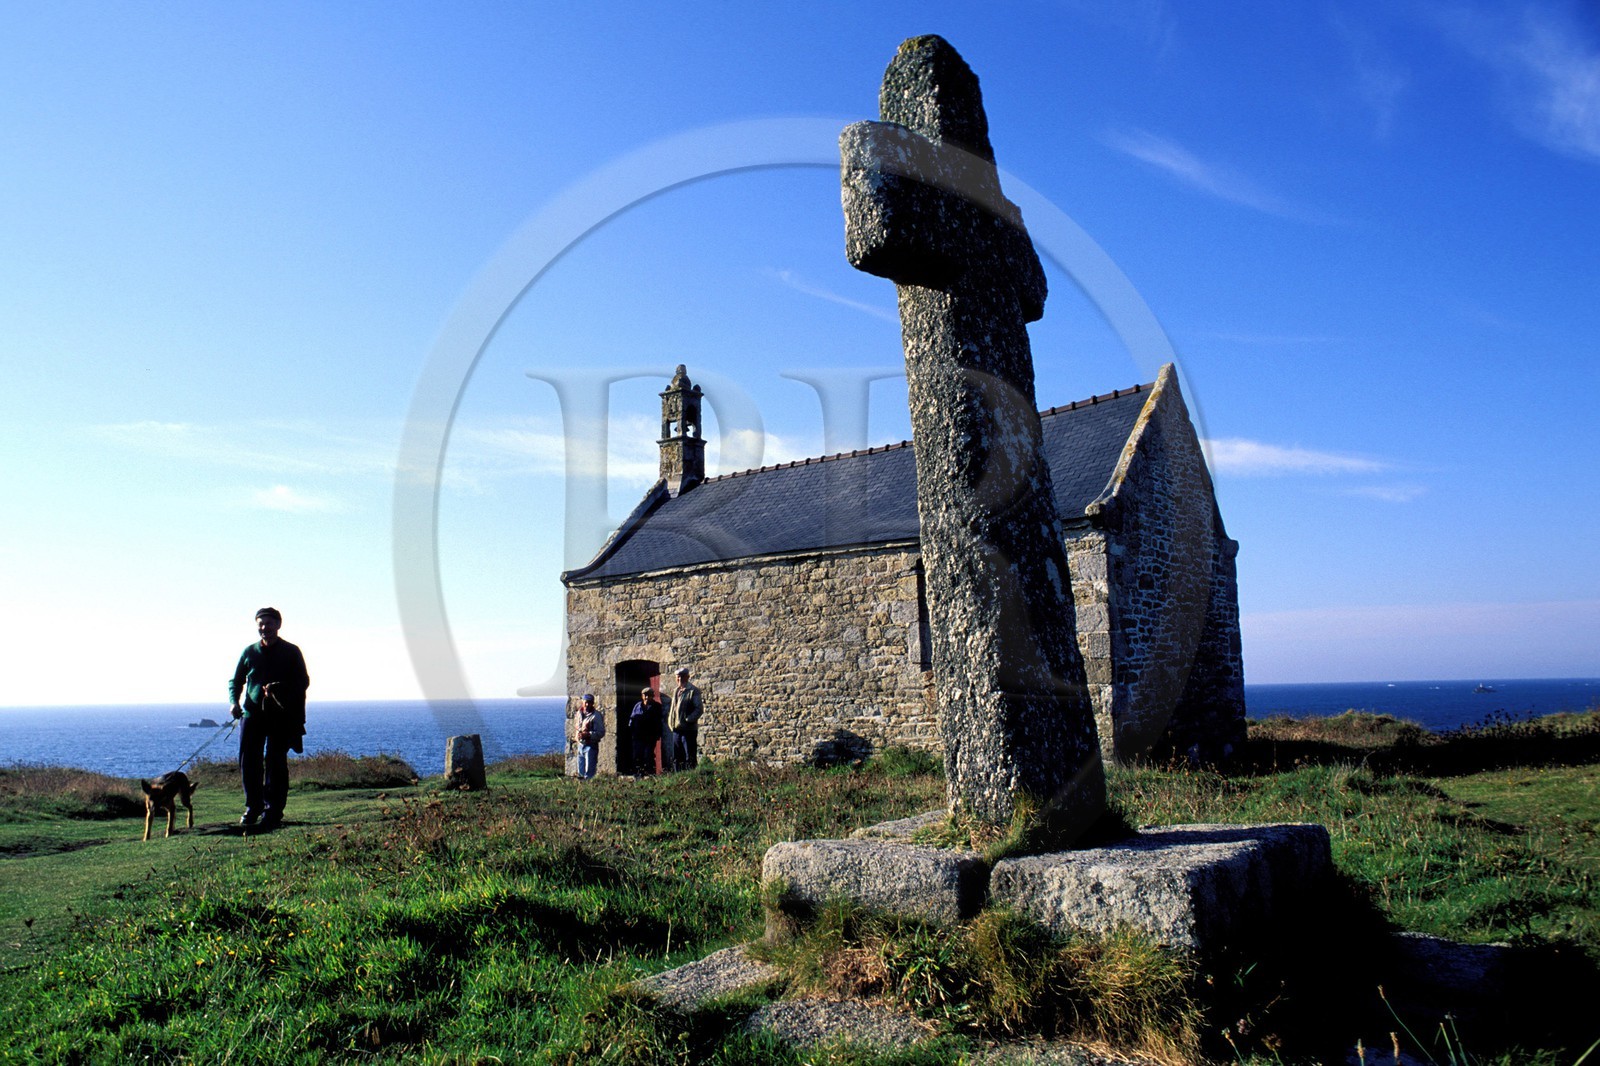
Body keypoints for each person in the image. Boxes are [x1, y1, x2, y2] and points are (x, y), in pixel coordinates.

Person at [228, 607, 309, 829]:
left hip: (280, 716)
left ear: (278, 625)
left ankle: (273, 811)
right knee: (249, 762)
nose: (264, 628)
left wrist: (279, 688)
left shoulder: (291, 651)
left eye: (269, 624)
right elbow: (235, 681)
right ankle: (252, 807)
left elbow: (303, 681)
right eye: (261, 624)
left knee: (275, 763)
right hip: (252, 715)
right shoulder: (249, 652)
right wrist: (234, 702)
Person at [667, 667, 703, 770]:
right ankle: (679, 779)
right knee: (678, 757)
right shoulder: (676, 691)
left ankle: (691, 777)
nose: (679, 679)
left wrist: (688, 720)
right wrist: (671, 722)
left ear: (687, 677)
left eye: (682, 677)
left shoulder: (693, 691)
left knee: (689, 756)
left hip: (688, 730)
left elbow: (699, 709)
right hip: (676, 729)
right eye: (678, 677)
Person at [628, 686, 663, 778]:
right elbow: (631, 719)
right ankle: (638, 774)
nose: (647, 697)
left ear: (653, 696)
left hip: (650, 736)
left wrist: (657, 734)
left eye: (649, 695)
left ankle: (650, 774)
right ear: (642, 696)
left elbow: (659, 721)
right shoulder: (637, 706)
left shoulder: (657, 707)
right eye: (645, 695)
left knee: (648, 755)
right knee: (637, 755)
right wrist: (632, 730)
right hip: (638, 736)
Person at [575, 693, 604, 779]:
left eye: (590, 703)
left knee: (589, 774)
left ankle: (589, 789)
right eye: (586, 702)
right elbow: (577, 727)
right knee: (580, 773)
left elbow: (601, 732)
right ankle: (580, 790)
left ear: (592, 703)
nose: (587, 705)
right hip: (580, 746)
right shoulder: (579, 714)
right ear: (582, 702)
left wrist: (588, 734)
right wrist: (577, 736)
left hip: (591, 746)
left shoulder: (596, 716)